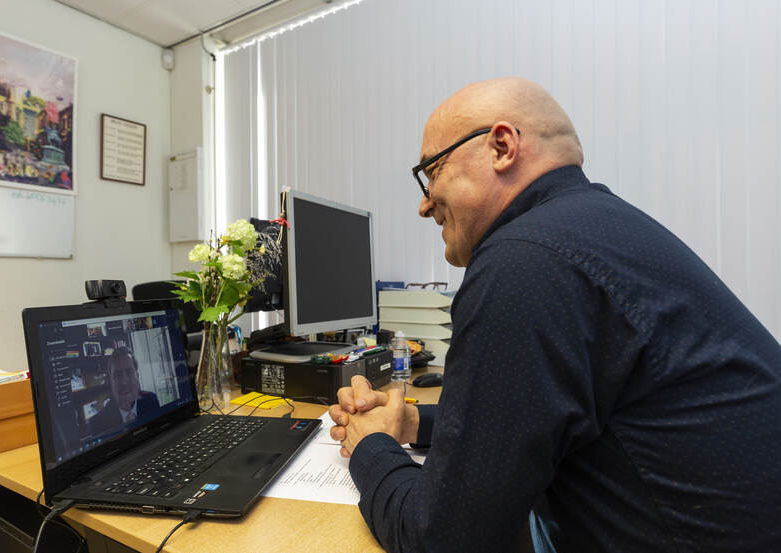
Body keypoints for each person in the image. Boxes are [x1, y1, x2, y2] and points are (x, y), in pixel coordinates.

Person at [328, 78, 781, 552]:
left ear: (502, 146)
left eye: (432, 171)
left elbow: (443, 540)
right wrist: (413, 424)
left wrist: (369, 446)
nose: (424, 204)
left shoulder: (523, 260)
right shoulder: (591, 228)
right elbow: (536, 417)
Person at [89, 347, 160, 435]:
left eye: (129, 372)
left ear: (137, 376)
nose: (124, 382)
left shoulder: (151, 400)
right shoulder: (97, 424)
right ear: (111, 382)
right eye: (118, 375)